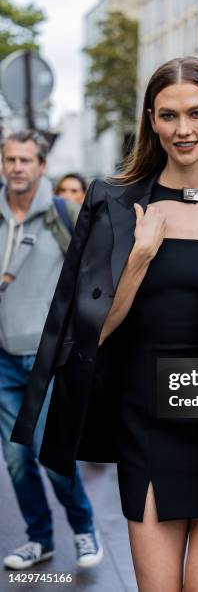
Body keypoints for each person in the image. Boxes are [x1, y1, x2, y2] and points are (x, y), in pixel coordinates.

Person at [11, 58, 198, 591]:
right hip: (147, 422)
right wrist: (138, 259)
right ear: (152, 120)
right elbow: (91, 331)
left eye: (196, 113)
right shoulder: (114, 203)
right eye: (168, 115)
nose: (183, 129)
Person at [0, 131, 103, 569]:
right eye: (10, 159)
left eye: (26, 159)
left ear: (41, 166)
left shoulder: (65, 213)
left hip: (48, 359)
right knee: (17, 459)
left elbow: (99, 275)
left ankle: (84, 528)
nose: (17, 167)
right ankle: (39, 538)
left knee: (49, 452)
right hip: (3, 359)